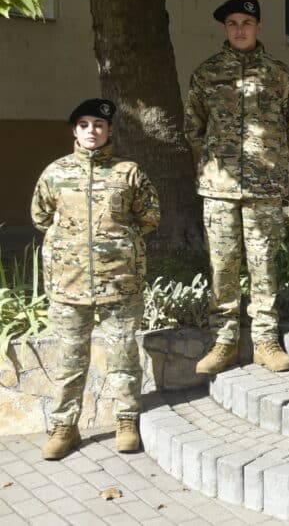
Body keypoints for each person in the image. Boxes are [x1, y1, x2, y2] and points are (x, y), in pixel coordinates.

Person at [186, 0, 289, 374]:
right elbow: (194, 127)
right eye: (232, 23)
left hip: (264, 189)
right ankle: (224, 343)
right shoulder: (207, 74)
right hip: (219, 189)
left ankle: (265, 342)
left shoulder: (279, 74)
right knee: (223, 266)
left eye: (246, 22)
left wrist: (274, 159)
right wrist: (218, 160)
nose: (239, 29)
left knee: (263, 264)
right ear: (225, 29)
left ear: (259, 26)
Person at [31, 99, 161, 460]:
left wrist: (118, 243)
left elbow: (150, 217)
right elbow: (41, 217)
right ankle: (64, 427)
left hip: (120, 282)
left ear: (110, 130)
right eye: (85, 125)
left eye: (99, 125)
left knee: (123, 354)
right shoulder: (55, 173)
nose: (92, 131)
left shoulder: (128, 172)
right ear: (75, 130)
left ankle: (126, 420)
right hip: (68, 284)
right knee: (69, 359)